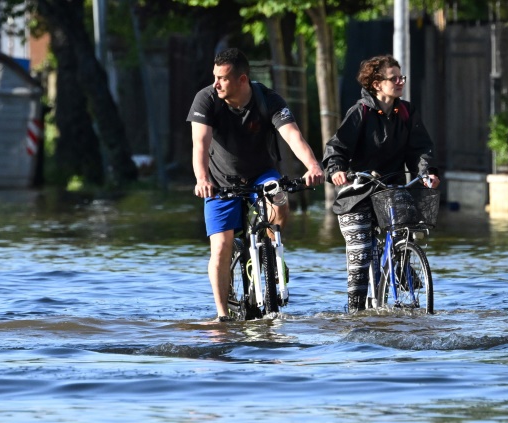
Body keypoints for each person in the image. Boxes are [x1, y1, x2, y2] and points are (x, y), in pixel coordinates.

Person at [187, 48, 324, 322]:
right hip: (219, 180)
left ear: (242, 79)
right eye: (214, 77)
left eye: (222, 78)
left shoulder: (268, 99)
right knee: (222, 246)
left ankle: (271, 257)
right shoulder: (206, 99)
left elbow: (292, 136)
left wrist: (313, 166)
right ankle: (222, 315)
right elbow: (200, 145)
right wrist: (202, 179)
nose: (216, 83)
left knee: (280, 200)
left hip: (262, 173)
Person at [322, 54, 440, 313]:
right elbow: (337, 146)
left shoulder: (407, 112)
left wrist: (427, 172)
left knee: (403, 235)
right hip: (359, 194)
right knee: (362, 255)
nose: (400, 82)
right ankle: (355, 313)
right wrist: (337, 169)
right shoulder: (360, 112)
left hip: (391, 191)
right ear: (376, 84)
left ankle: (399, 275)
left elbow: (420, 148)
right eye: (394, 78)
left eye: (402, 77)